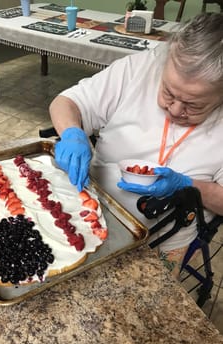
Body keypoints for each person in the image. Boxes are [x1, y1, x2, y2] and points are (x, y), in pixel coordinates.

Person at [49, 12, 223, 275]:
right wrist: (73, 133)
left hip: (165, 237)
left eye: (193, 105)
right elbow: (67, 102)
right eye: (168, 92)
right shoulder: (141, 67)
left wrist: (189, 187)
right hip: (91, 210)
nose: (175, 110)